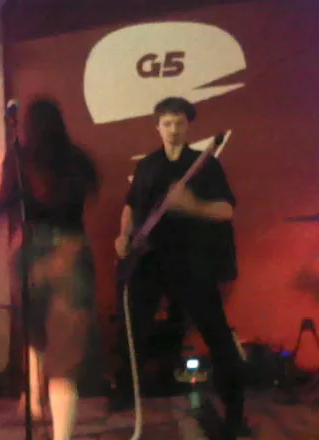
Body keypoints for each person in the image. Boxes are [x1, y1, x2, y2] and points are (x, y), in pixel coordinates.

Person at [108, 97, 251, 439]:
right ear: (157, 127)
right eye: (167, 123)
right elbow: (130, 206)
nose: (173, 129)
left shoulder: (205, 165)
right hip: (150, 259)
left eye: (179, 123)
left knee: (216, 333)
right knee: (132, 327)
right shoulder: (148, 165)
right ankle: (126, 392)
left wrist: (192, 206)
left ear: (188, 126)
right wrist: (124, 235)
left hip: (192, 262)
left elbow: (226, 211)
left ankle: (234, 412)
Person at [0, 97, 100, 440]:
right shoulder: (77, 158)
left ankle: (34, 396)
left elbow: (3, 203)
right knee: (65, 355)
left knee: (34, 328)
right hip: (70, 249)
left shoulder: (19, 158)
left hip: (31, 249)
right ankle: (59, 430)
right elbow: (89, 191)